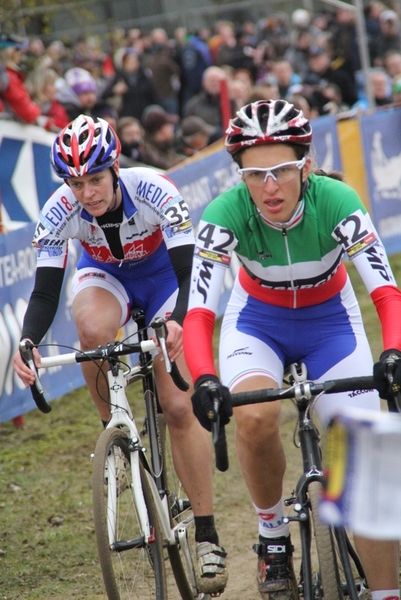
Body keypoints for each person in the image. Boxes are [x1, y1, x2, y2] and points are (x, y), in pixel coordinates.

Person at [183, 99, 401, 600]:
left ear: (305, 164)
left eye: (282, 170)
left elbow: (386, 293)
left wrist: (391, 352)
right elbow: (198, 314)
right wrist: (204, 377)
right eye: (255, 175)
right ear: (239, 175)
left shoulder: (337, 199)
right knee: (256, 418)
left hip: (331, 322)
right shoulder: (224, 214)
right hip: (258, 321)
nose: (270, 186)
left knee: (361, 456)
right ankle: (273, 535)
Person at [12, 114, 228, 596]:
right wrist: (28, 339)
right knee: (90, 327)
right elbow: (45, 294)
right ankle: (117, 435)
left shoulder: (155, 189)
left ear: (114, 169)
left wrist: (177, 321)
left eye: (94, 179)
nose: (85, 192)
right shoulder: (58, 210)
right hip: (106, 278)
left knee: (176, 405)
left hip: (166, 279)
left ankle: (209, 535)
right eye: (75, 182)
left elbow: (189, 269)